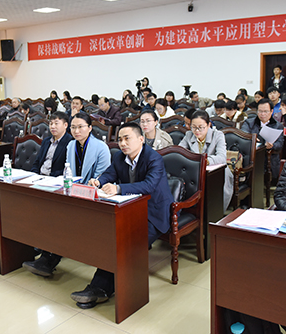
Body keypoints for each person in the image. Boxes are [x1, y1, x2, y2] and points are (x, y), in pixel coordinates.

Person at [71, 122, 173, 309]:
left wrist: (118, 188)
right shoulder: (120, 157)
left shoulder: (154, 158)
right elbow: (109, 174)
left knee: (126, 244)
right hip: (129, 209)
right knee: (113, 240)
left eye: (127, 138)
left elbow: (149, 185)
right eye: (120, 139)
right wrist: (98, 181)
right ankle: (102, 288)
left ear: (141, 139)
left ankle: (100, 289)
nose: (123, 143)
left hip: (154, 212)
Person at [21, 112, 74, 277]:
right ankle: (36, 243)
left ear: (65, 125)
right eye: (51, 123)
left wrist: (48, 178)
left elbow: (67, 168)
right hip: (40, 180)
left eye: (57, 123)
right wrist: (33, 176)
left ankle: (48, 251)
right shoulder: (45, 141)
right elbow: (37, 162)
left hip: (55, 183)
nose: (53, 126)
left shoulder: (70, 143)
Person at [179, 110, 233, 209]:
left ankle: (217, 210)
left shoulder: (218, 135)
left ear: (208, 125)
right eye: (193, 127)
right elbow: (179, 152)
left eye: (201, 127)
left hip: (214, 168)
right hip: (195, 169)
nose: (197, 131)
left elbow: (222, 157)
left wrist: (206, 161)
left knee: (224, 174)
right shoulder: (189, 135)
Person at [241, 99, 285, 179]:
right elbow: (243, 134)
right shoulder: (249, 123)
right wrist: (251, 138)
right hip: (252, 156)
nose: (262, 114)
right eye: (260, 111)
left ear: (271, 111)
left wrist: (272, 145)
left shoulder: (277, 126)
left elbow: (280, 144)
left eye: (266, 111)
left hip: (269, 158)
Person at [66, 112, 111, 184]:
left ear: (90, 128)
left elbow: (101, 177)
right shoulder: (71, 145)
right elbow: (68, 171)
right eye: (73, 127)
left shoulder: (102, 148)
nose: (76, 131)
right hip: (73, 186)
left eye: (80, 127)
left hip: (92, 187)